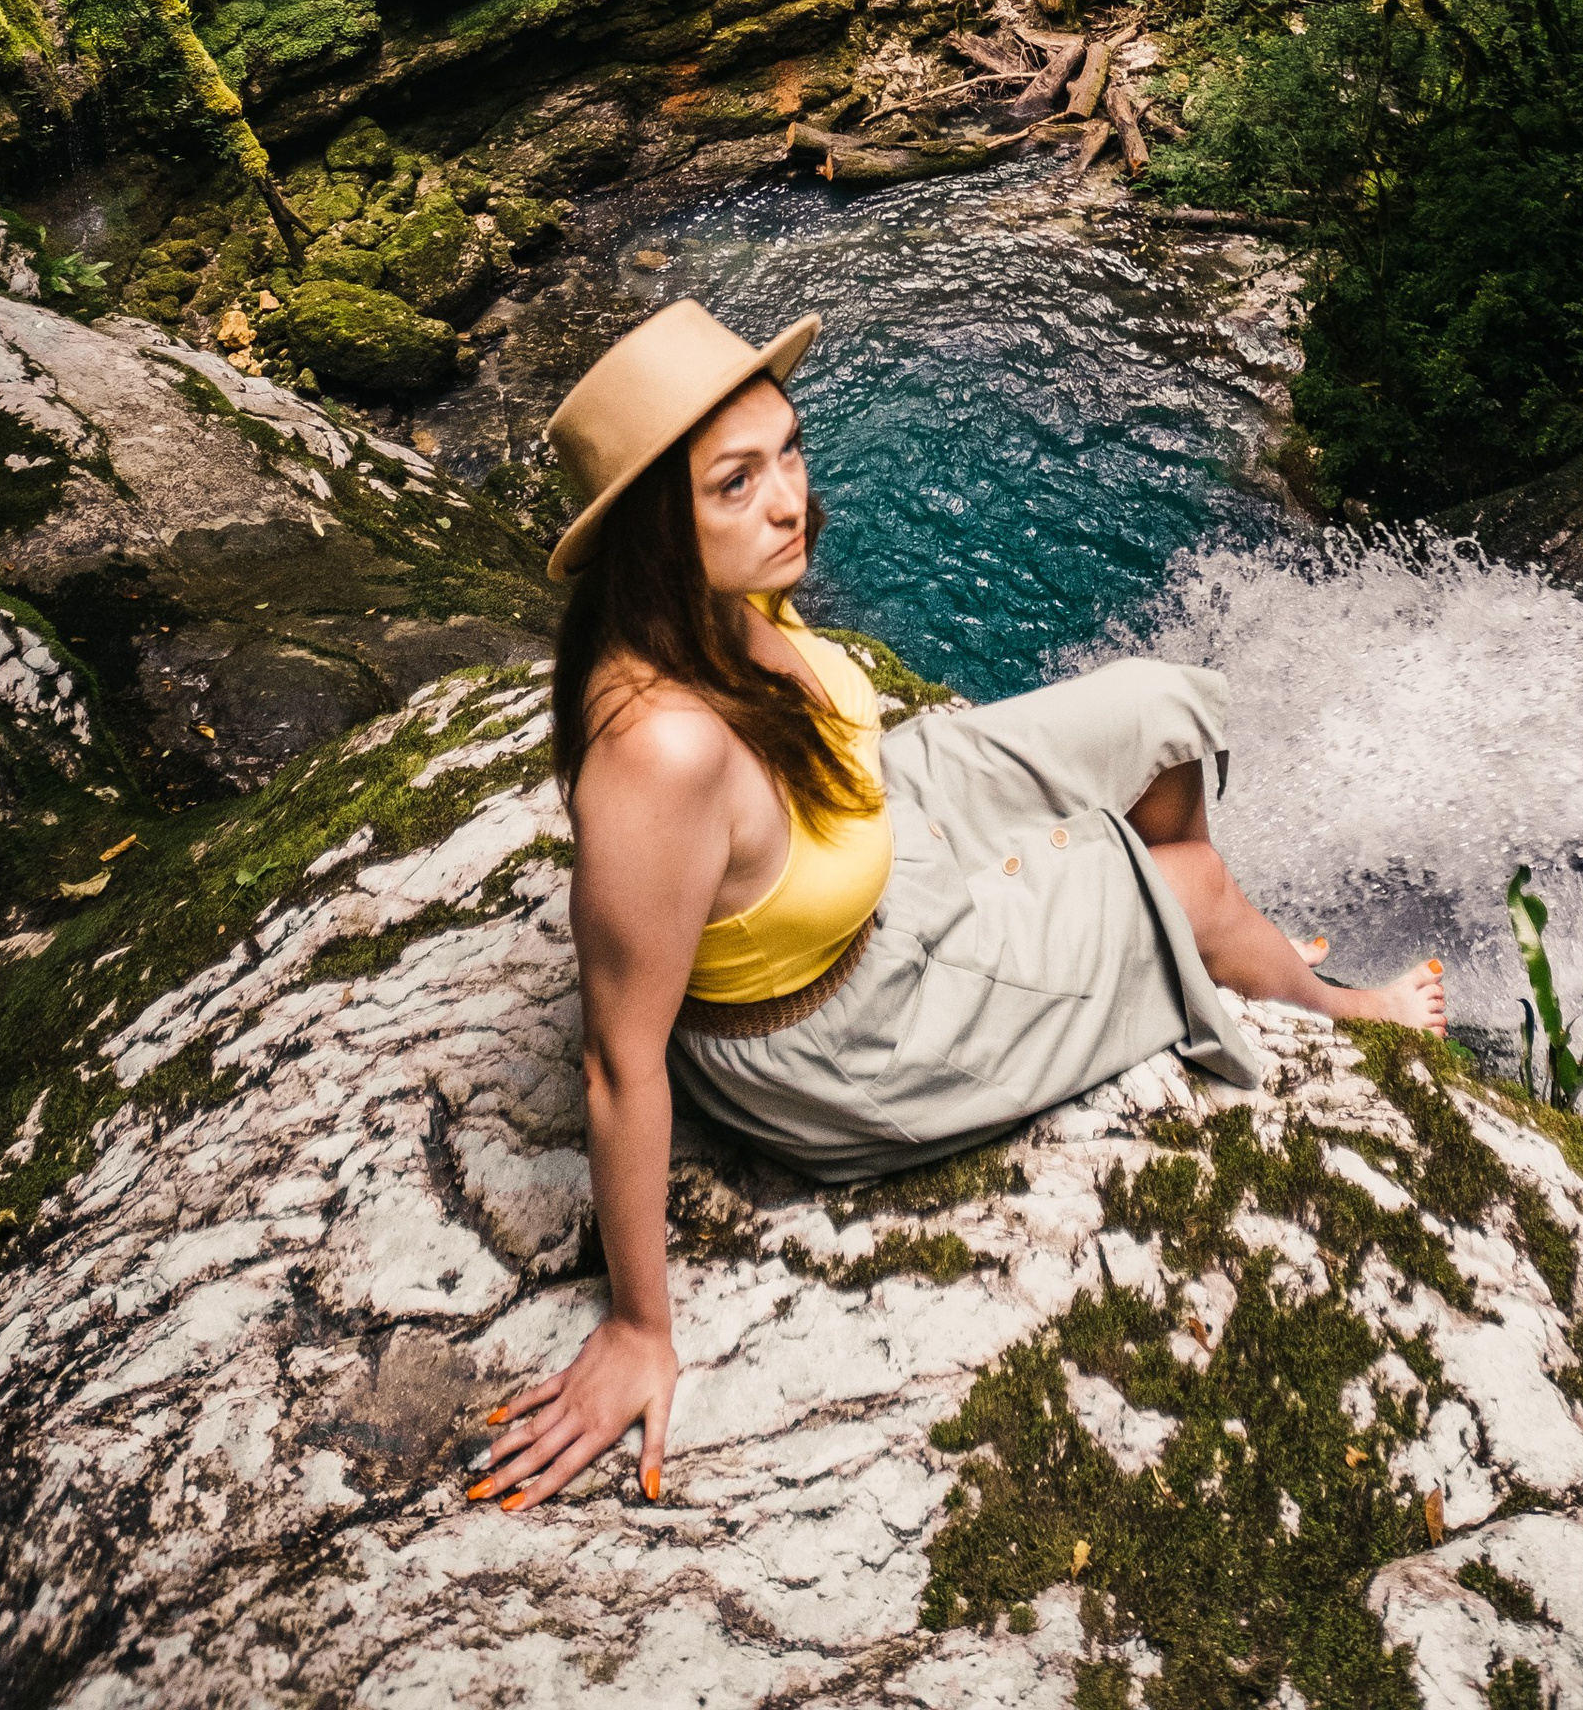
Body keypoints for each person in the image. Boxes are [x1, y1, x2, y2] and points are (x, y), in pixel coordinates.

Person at [470, 296, 1446, 1516]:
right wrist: (636, 1323)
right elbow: (621, 1060)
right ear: (653, 534)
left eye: (787, 452)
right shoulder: (657, 752)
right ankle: (1292, 985)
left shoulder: (723, 597)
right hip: (845, 1017)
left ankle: (1176, 943)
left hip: (869, 817)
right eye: (734, 483)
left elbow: (810, 740)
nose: (788, 502)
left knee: (1159, 708)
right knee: (1179, 882)